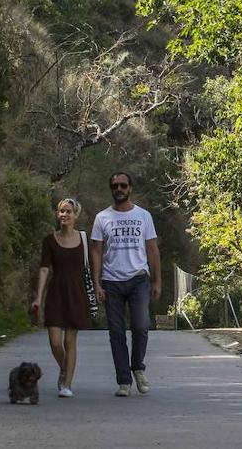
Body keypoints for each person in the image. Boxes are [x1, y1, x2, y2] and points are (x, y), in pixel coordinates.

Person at [90, 171, 161, 397]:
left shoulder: (143, 216)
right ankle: (124, 380)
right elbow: (96, 252)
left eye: (123, 185)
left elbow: (152, 248)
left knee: (141, 327)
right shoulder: (102, 218)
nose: (119, 189)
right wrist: (97, 283)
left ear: (130, 188)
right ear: (111, 189)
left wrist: (157, 280)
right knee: (116, 333)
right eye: (115, 186)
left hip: (139, 278)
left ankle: (137, 367)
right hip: (111, 281)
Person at [30, 197, 93, 398]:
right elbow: (44, 269)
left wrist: (98, 287)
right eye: (61, 211)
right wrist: (38, 297)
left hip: (77, 292)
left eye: (68, 211)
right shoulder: (49, 240)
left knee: (70, 342)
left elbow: (90, 267)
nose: (64, 215)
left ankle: (66, 384)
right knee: (55, 342)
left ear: (76, 215)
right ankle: (65, 369)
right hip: (56, 292)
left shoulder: (83, 239)